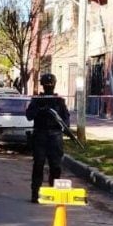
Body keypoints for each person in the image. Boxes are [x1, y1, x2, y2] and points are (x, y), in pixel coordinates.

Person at [25, 73, 70, 203]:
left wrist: (61, 123)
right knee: (38, 164)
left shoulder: (59, 101)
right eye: (46, 84)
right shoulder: (37, 100)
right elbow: (29, 116)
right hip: (40, 135)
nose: (48, 86)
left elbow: (66, 120)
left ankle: (53, 192)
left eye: (50, 84)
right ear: (42, 85)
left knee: (55, 166)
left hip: (55, 137)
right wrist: (40, 109)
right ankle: (35, 193)